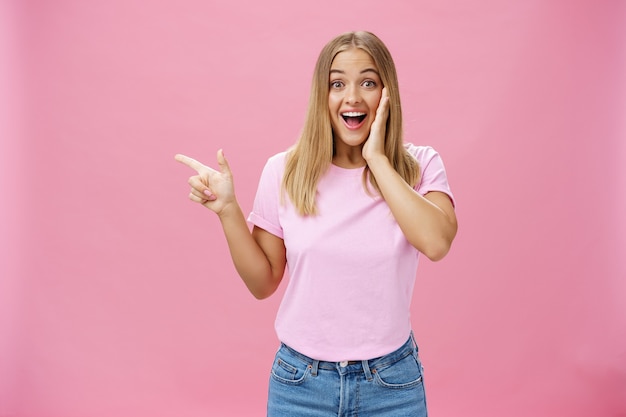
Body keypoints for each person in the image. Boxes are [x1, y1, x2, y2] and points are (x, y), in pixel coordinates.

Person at [175, 31, 457, 417]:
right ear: (321, 96)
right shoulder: (285, 171)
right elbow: (263, 282)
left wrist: (376, 158)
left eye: (368, 83)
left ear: (387, 93)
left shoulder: (419, 165)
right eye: (337, 83)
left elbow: (437, 242)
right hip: (300, 386)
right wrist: (228, 211)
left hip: (392, 385)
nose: (352, 97)